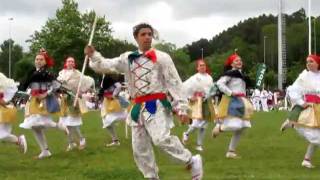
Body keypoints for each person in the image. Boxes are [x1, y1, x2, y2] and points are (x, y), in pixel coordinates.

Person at [85, 23, 203, 180]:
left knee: (161, 139)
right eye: (143, 34)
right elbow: (106, 65)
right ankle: (151, 176)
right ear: (136, 38)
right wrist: (93, 55)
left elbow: (174, 82)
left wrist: (182, 108)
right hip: (137, 107)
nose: (147, 37)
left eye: (149, 34)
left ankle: (191, 160)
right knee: (140, 148)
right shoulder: (128, 58)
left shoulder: (162, 57)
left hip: (157, 104)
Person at [19, 49, 67, 159]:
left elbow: (55, 86)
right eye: (37, 59)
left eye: (41, 59)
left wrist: (46, 94)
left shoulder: (48, 73)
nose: (38, 61)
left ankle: (58, 126)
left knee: (39, 121)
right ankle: (45, 151)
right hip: (33, 100)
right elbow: (24, 86)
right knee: (34, 127)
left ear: (45, 61)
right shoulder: (31, 72)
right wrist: (30, 92)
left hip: (44, 101)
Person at [280, 54, 320, 168]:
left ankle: (306, 160)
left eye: (311, 61)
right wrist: (302, 102)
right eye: (307, 62)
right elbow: (293, 90)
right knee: (316, 136)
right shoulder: (304, 76)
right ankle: (292, 123)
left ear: (317, 63)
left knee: (317, 135)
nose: (308, 63)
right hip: (310, 108)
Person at [212, 53, 254, 159]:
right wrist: (230, 92)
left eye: (240, 60)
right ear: (231, 64)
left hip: (242, 101)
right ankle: (220, 128)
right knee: (235, 125)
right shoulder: (230, 74)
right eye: (236, 60)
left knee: (242, 127)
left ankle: (231, 151)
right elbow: (219, 84)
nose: (239, 62)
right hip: (233, 101)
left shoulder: (242, 75)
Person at [57, 56, 93, 151]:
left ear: (74, 63)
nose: (70, 63)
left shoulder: (77, 74)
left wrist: (81, 91)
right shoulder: (61, 73)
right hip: (64, 99)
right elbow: (57, 84)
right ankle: (71, 143)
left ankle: (82, 139)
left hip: (73, 99)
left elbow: (86, 81)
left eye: (72, 61)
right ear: (66, 63)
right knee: (65, 124)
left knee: (73, 122)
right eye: (69, 61)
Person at [182, 59, 214, 152]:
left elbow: (211, 89)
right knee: (196, 123)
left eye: (204, 65)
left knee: (204, 125)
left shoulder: (209, 77)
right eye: (200, 65)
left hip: (207, 101)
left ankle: (199, 144)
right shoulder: (194, 78)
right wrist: (189, 97)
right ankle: (186, 133)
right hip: (197, 102)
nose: (202, 67)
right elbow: (185, 87)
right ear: (197, 67)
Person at [0, 72, 27, 153]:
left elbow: (2, 99)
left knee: (2, 134)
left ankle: (19, 140)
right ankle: (19, 140)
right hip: (6, 108)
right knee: (2, 134)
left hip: (6, 109)